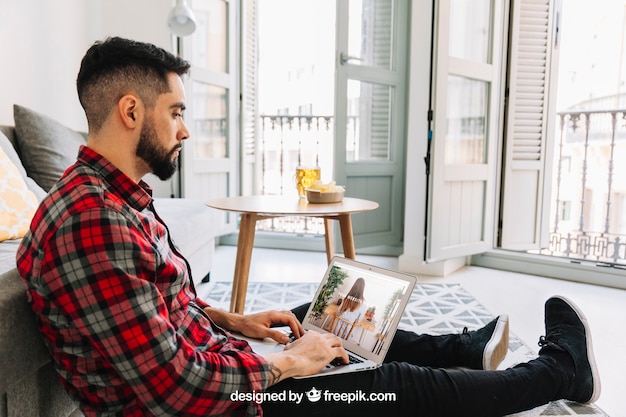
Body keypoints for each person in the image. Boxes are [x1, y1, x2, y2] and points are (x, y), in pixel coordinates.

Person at [17, 37, 600, 417]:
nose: (184, 130)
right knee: (390, 385)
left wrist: (233, 320)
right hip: (216, 406)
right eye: (177, 112)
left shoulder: (112, 199)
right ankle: (559, 374)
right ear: (130, 111)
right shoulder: (91, 223)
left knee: (325, 319)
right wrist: (290, 363)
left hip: (212, 367)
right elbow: (177, 390)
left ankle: (465, 352)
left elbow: (158, 308)